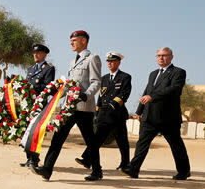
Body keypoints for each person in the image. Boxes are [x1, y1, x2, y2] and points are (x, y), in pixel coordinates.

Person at [32, 30, 103, 181]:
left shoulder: (92, 58)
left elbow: (96, 82)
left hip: (84, 107)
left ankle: (97, 170)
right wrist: (56, 93)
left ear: (83, 41)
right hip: (69, 107)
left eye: (74, 40)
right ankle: (47, 169)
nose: (71, 43)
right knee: (58, 137)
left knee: (90, 140)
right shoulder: (73, 61)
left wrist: (86, 94)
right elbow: (69, 84)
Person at [121, 47, 191, 180]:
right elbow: (146, 91)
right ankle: (133, 169)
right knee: (142, 143)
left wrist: (153, 96)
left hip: (168, 118)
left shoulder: (178, 72)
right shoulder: (153, 73)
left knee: (176, 145)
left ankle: (184, 171)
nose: (161, 58)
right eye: (158, 55)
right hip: (149, 116)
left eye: (164, 55)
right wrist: (139, 111)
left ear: (171, 57)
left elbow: (174, 89)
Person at [75, 51, 131, 171]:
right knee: (97, 138)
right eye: (108, 61)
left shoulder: (125, 77)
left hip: (117, 114)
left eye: (112, 61)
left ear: (119, 62)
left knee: (122, 140)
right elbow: (100, 96)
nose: (110, 63)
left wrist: (113, 104)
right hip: (104, 114)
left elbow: (124, 94)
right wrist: (97, 111)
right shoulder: (103, 78)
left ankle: (125, 164)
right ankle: (87, 159)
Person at [20, 43, 55, 168]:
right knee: (27, 131)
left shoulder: (49, 69)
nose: (35, 55)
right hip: (28, 104)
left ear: (44, 54)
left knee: (35, 132)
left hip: (39, 104)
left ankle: (34, 159)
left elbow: (47, 87)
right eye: (34, 53)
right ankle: (28, 158)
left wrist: (31, 87)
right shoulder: (31, 69)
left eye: (38, 53)